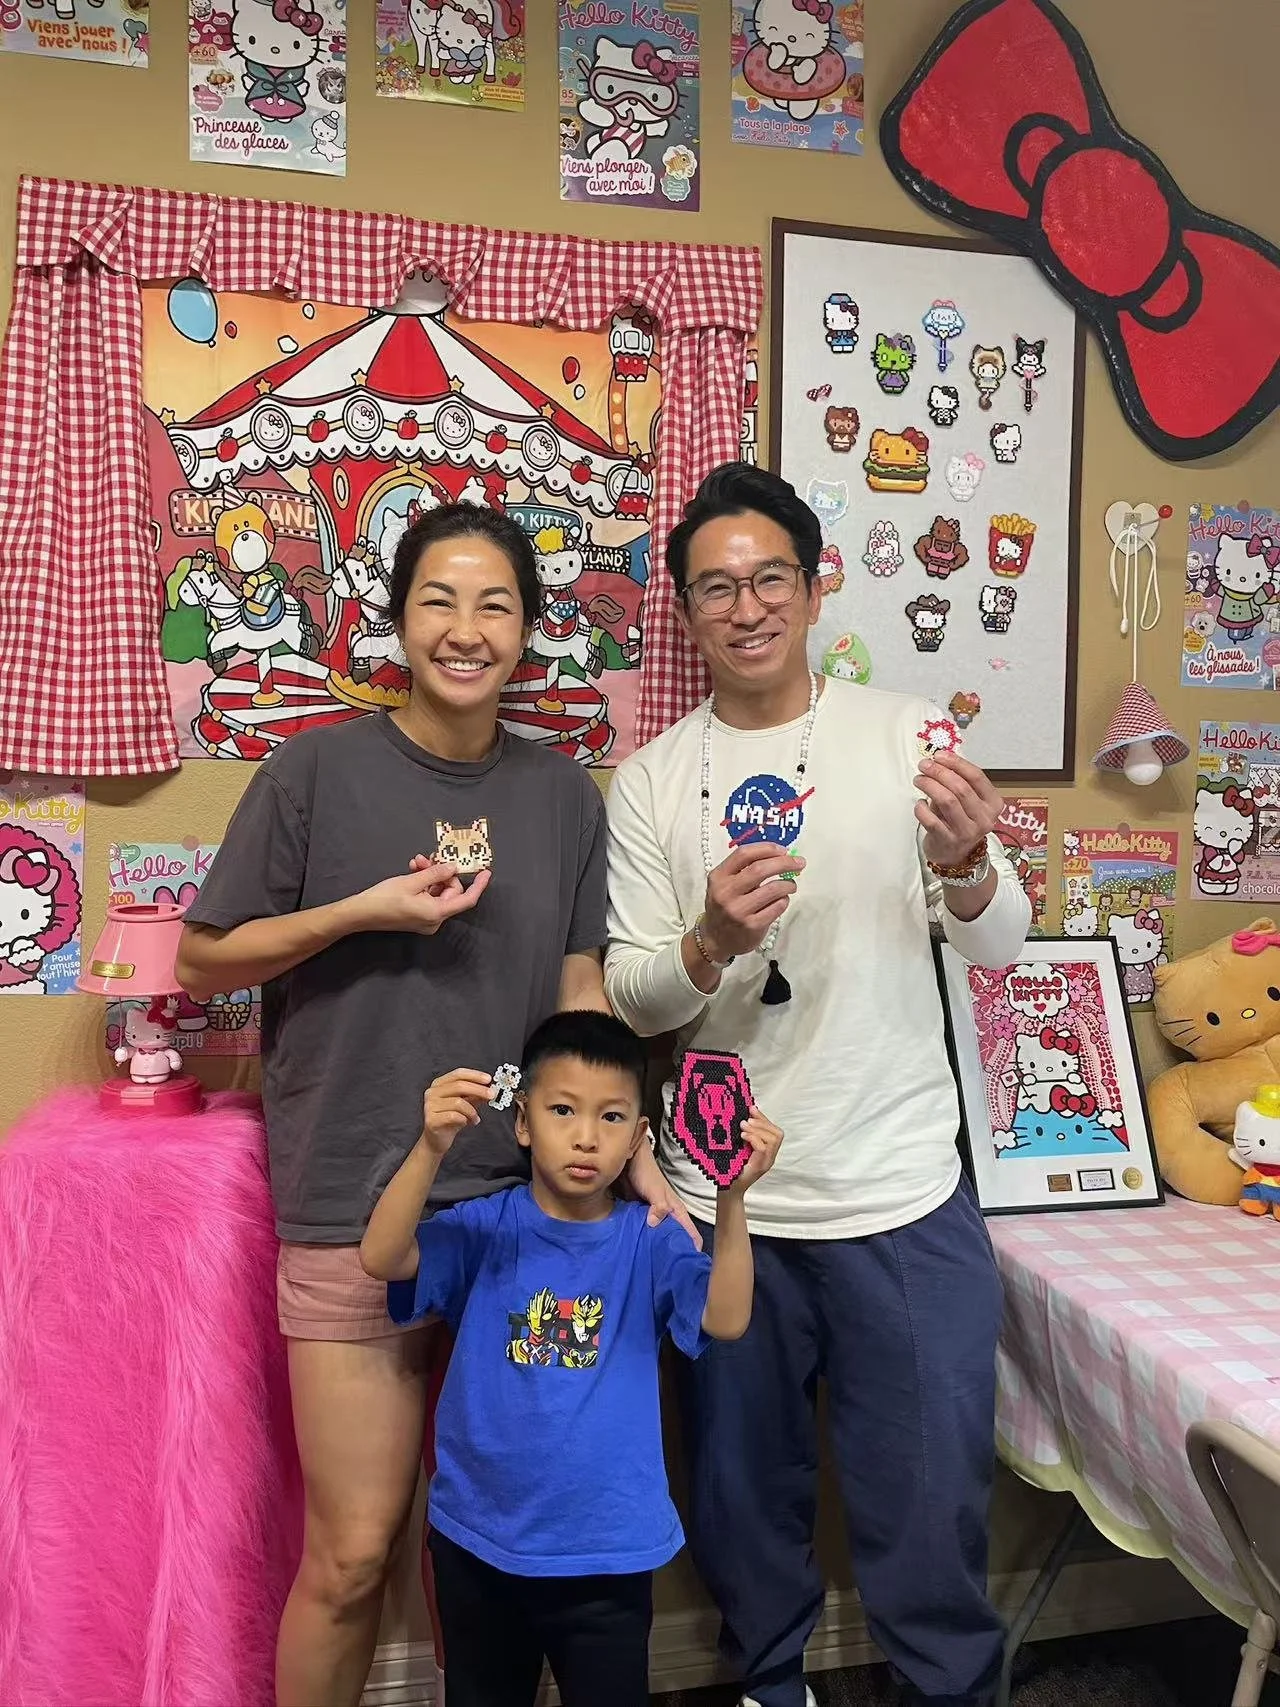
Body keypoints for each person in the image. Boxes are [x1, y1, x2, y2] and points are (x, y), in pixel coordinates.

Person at [174, 503, 689, 1707]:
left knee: (490, 1552)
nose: (465, 630)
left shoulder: (566, 796)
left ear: (528, 633)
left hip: (527, 1218)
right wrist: (363, 911)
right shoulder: (312, 771)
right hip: (356, 1196)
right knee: (352, 1555)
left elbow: (577, 993)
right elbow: (206, 960)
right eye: (439, 602)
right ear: (396, 623)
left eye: (495, 605)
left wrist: (631, 1148)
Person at [604, 464, 1031, 1707]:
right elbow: (636, 997)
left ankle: (946, 1688)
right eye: (714, 588)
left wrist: (963, 864)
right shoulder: (648, 782)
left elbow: (997, 945)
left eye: (767, 578)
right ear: (685, 614)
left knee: (928, 1491)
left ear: (812, 585)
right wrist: (707, 946)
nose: (744, 607)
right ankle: (769, 1682)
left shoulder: (904, 733)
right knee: (741, 1494)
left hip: (899, 1189)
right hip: (726, 1204)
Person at [359, 1010, 783, 1707]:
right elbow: (382, 1256)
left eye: (612, 1116)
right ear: (523, 1121)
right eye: (562, 1110)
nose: (586, 1135)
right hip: (478, 1543)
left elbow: (727, 1318)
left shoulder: (649, 1240)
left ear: (638, 1139)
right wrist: (431, 1146)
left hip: (607, 1554)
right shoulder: (487, 1224)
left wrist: (733, 1197)